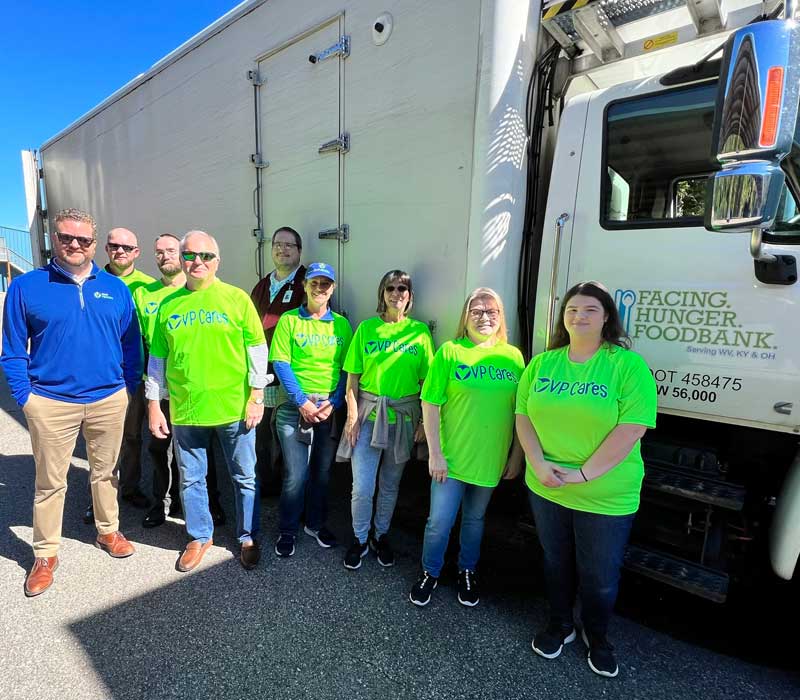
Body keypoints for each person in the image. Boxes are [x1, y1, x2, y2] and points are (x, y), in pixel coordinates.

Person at [515, 281, 657, 678]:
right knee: (555, 561)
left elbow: (632, 428)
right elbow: (522, 416)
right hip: (546, 485)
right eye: (573, 309)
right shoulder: (543, 363)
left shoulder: (627, 366)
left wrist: (584, 473)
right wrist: (539, 465)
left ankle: (598, 637)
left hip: (604, 492)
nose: (580, 316)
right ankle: (561, 626)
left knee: (599, 575)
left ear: (607, 316)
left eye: (590, 309)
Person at [1, 208, 142, 597]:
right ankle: (45, 554)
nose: (75, 245)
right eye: (67, 238)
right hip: (50, 401)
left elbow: (132, 344)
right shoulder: (27, 286)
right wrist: (25, 398)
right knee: (50, 482)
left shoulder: (115, 288)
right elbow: (12, 351)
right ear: (54, 240)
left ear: (94, 244)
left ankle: (108, 531)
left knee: (106, 472)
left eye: (83, 240)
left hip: (108, 399)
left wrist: (126, 387)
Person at [146, 231, 268, 572]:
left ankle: (248, 536)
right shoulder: (169, 305)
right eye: (190, 255)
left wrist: (257, 395)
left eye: (206, 256)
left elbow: (257, 350)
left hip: (235, 407)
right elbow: (157, 360)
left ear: (217, 260)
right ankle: (199, 536)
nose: (197, 262)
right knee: (190, 478)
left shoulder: (236, 298)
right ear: (181, 258)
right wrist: (154, 404)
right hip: (186, 410)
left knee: (245, 476)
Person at [409, 288, 524, 608]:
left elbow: (520, 413)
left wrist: (517, 455)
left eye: (492, 312)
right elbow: (430, 404)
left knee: (475, 520)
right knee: (439, 522)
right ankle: (430, 572)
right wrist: (435, 453)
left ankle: (467, 571)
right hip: (451, 459)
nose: (484, 317)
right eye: (477, 311)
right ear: (465, 317)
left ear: (501, 317)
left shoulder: (513, 357)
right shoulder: (450, 351)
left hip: (490, 457)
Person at [337, 270, 434, 569]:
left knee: (390, 485)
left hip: (403, 419)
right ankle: (360, 538)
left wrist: (422, 424)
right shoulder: (366, 329)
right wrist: (351, 417)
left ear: (410, 296)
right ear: (382, 293)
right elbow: (352, 380)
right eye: (390, 288)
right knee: (363, 486)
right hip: (368, 418)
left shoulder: (420, 333)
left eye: (402, 289)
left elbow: (428, 384)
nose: (396, 293)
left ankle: (381, 535)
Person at [132, 234, 225, 529]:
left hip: (193, 389)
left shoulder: (196, 292)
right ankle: (162, 504)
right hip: (160, 387)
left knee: (202, 450)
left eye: (171, 251)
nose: (165, 256)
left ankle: (212, 502)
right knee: (160, 449)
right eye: (159, 252)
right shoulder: (144, 294)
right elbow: (144, 344)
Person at [269, 262, 353, 558]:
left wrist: (336, 401)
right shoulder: (290, 320)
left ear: (333, 288)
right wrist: (302, 401)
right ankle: (288, 529)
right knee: (296, 474)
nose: (320, 289)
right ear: (304, 285)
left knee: (322, 473)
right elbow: (281, 363)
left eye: (326, 284)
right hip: (295, 409)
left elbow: (348, 368)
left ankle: (315, 524)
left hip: (328, 409)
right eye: (315, 283)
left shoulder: (341, 324)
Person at [79, 227, 155, 521]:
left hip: (140, 376)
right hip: (103, 377)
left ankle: (130, 487)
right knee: (102, 441)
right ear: (106, 249)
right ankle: (98, 499)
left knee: (133, 436)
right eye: (114, 246)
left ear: (136, 252)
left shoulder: (149, 287)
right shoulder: (91, 281)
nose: (120, 251)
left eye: (127, 247)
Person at [250, 227, 306, 496]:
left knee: (286, 434)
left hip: (290, 372)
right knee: (263, 432)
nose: (282, 249)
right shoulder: (263, 285)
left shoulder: (307, 283)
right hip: (263, 371)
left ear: (299, 251)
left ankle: (287, 484)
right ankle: (267, 482)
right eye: (278, 244)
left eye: (289, 245)